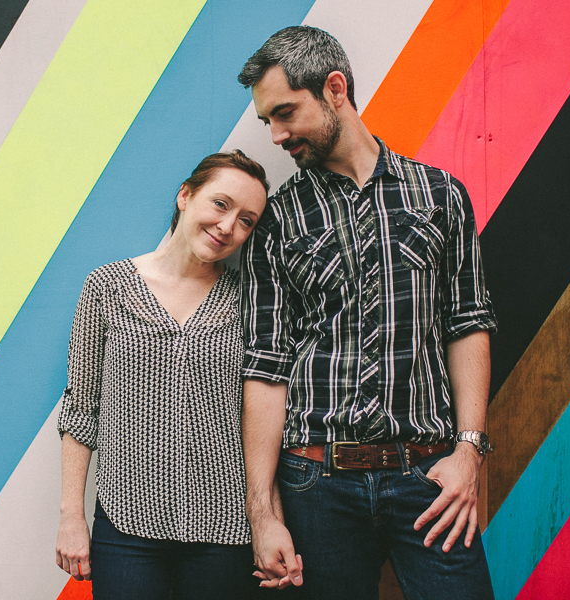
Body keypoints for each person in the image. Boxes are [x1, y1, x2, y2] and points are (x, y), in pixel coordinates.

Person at [237, 26, 498, 599]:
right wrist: (263, 511)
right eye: (267, 123)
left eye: (285, 113)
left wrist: (468, 452)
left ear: (335, 89)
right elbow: (265, 367)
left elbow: (467, 323)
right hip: (315, 484)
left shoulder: (440, 197)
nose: (277, 135)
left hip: (429, 478)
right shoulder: (277, 221)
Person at [55, 150, 269, 599]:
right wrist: (70, 517)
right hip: (125, 525)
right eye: (221, 204)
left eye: (247, 220)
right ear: (185, 196)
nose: (229, 227)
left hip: (225, 531)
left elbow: (262, 418)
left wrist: (269, 519)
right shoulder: (107, 287)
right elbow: (80, 412)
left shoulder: (248, 302)